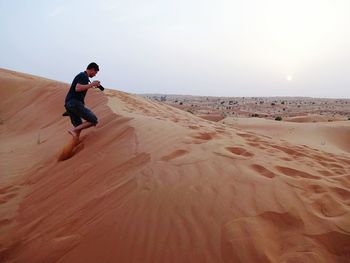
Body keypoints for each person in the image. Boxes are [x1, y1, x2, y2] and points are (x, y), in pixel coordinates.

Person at [64, 62, 101, 140]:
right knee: (93, 120)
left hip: (70, 104)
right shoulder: (83, 75)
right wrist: (91, 85)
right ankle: (73, 130)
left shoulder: (83, 77)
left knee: (79, 126)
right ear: (92, 69)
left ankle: (73, 144)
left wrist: (92, 84)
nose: (95, 75)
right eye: (95, 72)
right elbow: (77, 88)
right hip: (74, 103)